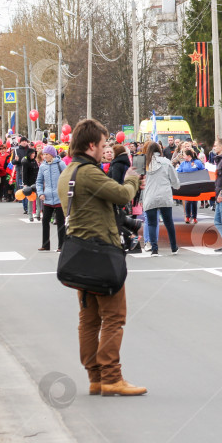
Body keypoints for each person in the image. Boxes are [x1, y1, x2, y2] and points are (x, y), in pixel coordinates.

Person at [57, 119, 146, 396]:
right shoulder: (88, 172)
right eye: (105, 144)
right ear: (92, 145)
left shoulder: (68, 172)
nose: (106, 148)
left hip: (80, 255)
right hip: (101, 255)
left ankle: (95, 378)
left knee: (89, 319)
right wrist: (133, 177)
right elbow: (122, 195)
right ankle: (111, 377)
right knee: (114, 317)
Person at [141, 142, 180, 256]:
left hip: (149, 196)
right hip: (164, 195)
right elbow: (174, 181)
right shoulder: (166, 162)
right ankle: (173, 247)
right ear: (160, 150)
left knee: (152, 223)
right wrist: (176, 185)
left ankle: (154, 249)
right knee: (168, 222)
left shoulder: (144, 164)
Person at [36, 145, 67, 252]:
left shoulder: (61, 164)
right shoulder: (42, 166)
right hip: (47, 197)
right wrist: (40, 193)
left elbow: (68, 178)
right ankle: (45, 245)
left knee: (60, 222)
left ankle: (61, 246)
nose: (44, 156)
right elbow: (39, 182)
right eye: (43, 154)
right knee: (45, 221)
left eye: (47, 154)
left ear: (52, 155)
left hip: (59, 197)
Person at [176, 149, 204, 224]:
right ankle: (188, 216)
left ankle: (194, 217)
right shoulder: (183, 164)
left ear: (189, 156)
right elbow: (178, 172)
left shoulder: (197, 162)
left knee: (194, 202)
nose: (183, 157)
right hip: (186, 185)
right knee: (188, 201)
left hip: (195, 185)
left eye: (184, 155)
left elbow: (203, 171)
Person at [22, 149, 40, 221]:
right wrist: (25, 184)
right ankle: (30, 215)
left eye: (34, 154)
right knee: (30, 199)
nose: (33, 155)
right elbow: (24, 173)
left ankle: (38, 214)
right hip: (29, 183)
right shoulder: (26, 162)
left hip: (37, 182)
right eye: (32, 154)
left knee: (38, 198)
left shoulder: (34, 161)